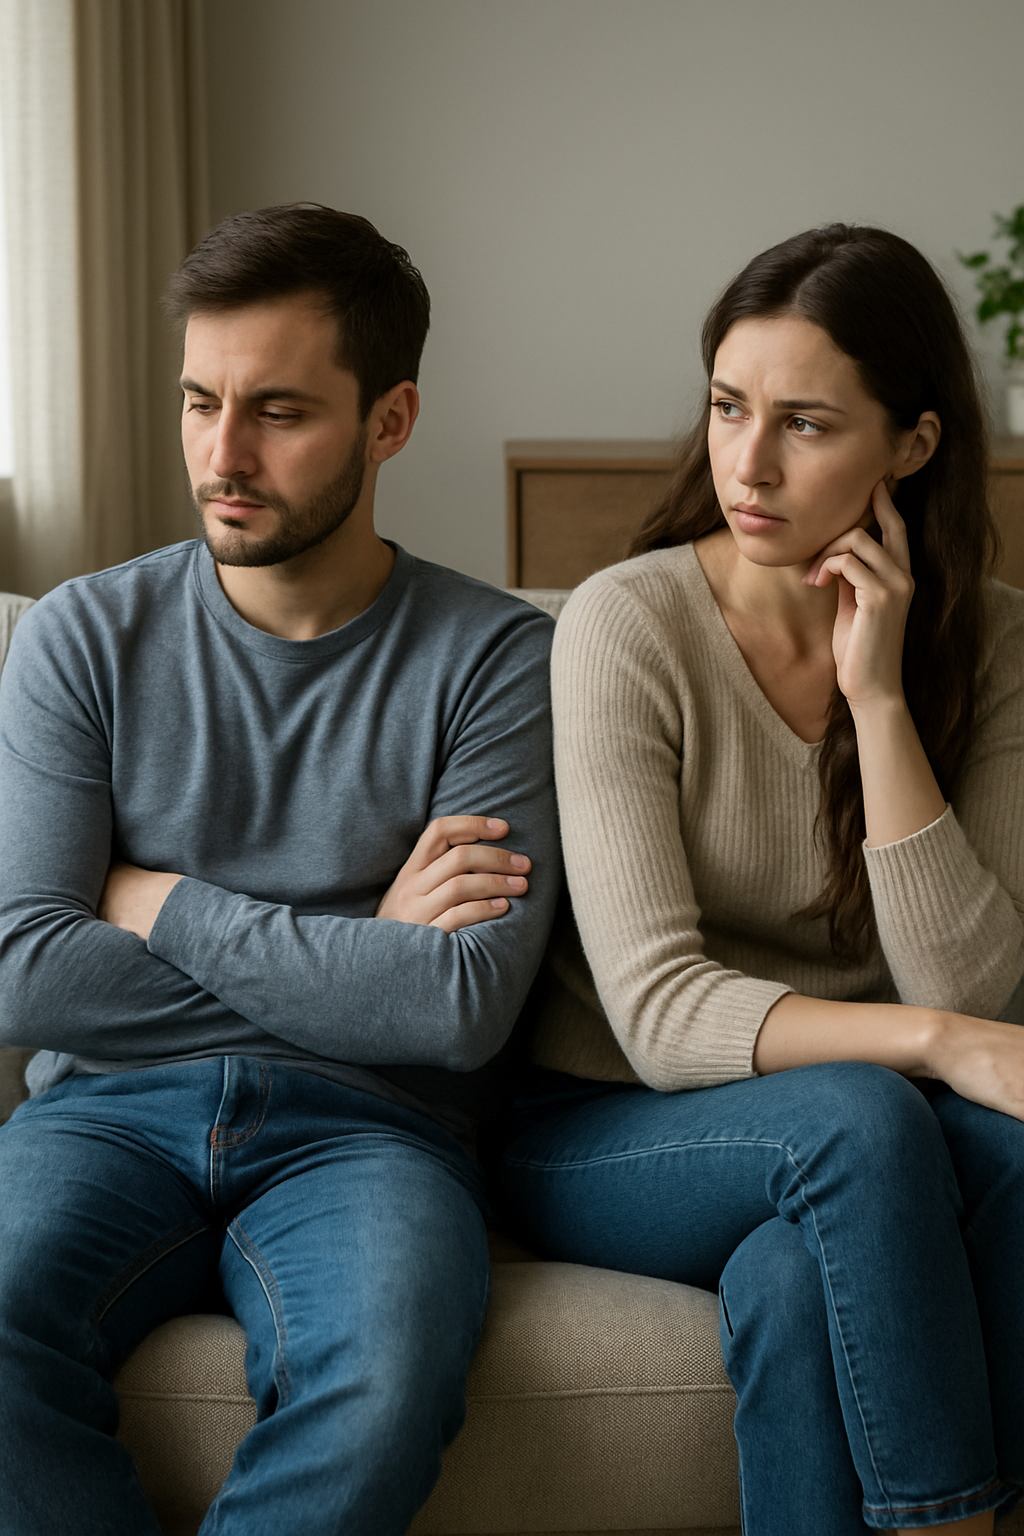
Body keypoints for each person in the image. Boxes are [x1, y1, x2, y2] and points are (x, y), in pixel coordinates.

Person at [0, 204, 559, 1536]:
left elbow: (457, 1009)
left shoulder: (499, 661)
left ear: (390, 419)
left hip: (374, 1131)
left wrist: (161, 904)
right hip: (101, 1114)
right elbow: (23, 969)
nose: (222, 455)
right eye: (201, 402)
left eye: (279, 412)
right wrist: (362, 949)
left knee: (382, 1372)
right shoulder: (84, 636)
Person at [488, 225, 1024, 1536]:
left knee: (814, 1269)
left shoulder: (997, 638)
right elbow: (664, 1015)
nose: (748, 462)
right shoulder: (629, 623)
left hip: (855, 1125)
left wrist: (881, 700)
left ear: (914, 443)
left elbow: (977, 978)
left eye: (806, 424)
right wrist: (939, 1043)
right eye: (729, 406)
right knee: (866, 1120)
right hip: (604, 1121)